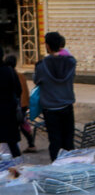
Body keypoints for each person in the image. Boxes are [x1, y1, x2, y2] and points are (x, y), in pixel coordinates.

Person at [33, 32, 76, 162]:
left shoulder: (42, 66)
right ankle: (70, 169)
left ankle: (57, 169)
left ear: (48, 46)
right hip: (67, 106)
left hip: (51, 110)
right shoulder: (71, 62)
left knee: (55, 142)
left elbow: (37, 81)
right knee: (68, 141)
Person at [5, 55, 34, 153]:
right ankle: (31, 144)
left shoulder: (9, 75)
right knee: (22, 124)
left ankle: (16, 149)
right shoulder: (20, 75)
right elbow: (24, 90)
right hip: (23, 104)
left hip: (16, 105)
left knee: (16, 126)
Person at [0, 52, 22, 158]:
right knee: (13, 145)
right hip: (9, 113)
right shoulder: (10, 71)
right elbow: (18, 91)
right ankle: (18, 169)